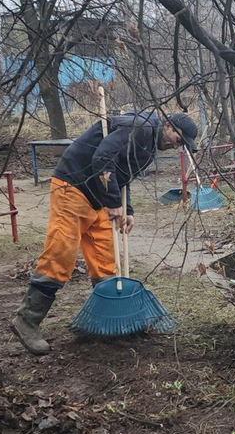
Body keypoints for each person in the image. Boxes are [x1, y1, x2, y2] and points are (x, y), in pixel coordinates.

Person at [11, 110, 198, 355]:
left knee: (105, 262)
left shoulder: (149, 144)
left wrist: (127, 208)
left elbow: (121, 173)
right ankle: (26, 321)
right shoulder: (141, 127)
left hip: (96, 198)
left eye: (182, 145)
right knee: (61, 256)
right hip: (73, 186)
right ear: (168, 125)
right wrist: (113, 202)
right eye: (179, 140)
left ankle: (108, 323)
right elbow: (103, 158)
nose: (177, 146)